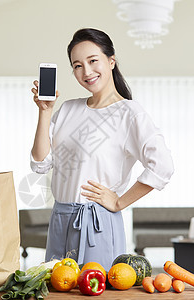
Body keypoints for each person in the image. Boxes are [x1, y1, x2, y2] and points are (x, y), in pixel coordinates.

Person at [30, 28, 174, 270]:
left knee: (98, 292)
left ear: (111, 61)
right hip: (60, 219)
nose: (86, 72)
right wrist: (45, 111)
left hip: (98, 223)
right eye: (77, 65)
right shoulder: (67, 109)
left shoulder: (130, 113)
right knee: (56, 291)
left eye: (93, 61)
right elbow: (40, 162)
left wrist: (119, 202)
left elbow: (163, 166)